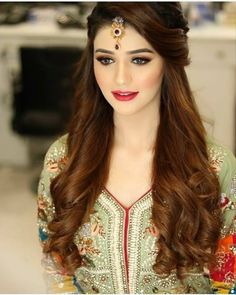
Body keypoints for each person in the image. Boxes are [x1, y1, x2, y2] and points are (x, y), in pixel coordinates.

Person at [37, 2, 236, 294]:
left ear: (168, 62)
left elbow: (229, 283)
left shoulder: (213, 167)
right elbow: (57, 270)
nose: (120, 78)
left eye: (139, 60)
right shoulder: (64, 160)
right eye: (106, 60)